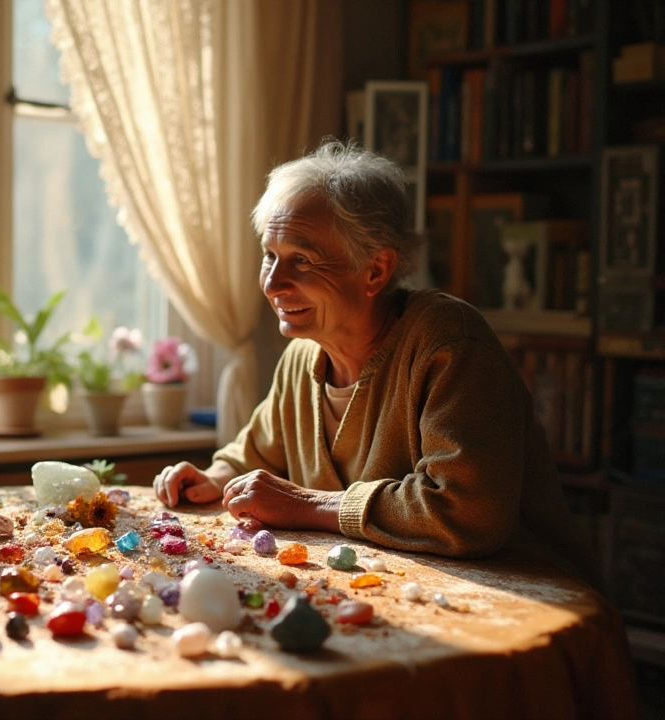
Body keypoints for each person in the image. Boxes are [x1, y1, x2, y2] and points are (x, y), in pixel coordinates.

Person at [154, 140, 594, 580]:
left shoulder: (448, 342)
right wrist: (214, 477)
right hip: (402, 593)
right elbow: (257, 456)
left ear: (376, 270)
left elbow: (468, 511)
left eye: (301, 260)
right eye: (270, 256)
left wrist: (308, 505)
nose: (272, 284)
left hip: (524, 598)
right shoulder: (302, 356)